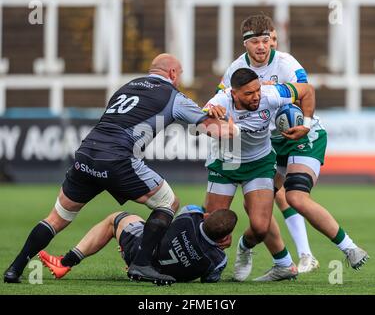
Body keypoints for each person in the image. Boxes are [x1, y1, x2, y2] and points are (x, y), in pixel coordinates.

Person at [3, 53, 238, 285]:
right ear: (173, 73)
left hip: (87, 153)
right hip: (117, 158)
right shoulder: (173, 96)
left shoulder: (128, 86)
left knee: (57, 218)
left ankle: (15, 269)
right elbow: (217, 131)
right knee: (169, 203)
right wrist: (232, 121)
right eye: (180, 75)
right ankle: (142, 264)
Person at [217, 15, 369, 281]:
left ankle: (349, 248)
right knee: (256, 212)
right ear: (245, 44)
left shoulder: (286, 64)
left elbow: (306, 91)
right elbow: (224, 100)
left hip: (302, 136)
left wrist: (306, 124)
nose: (262, 46)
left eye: (266, 40)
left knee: (296, 197)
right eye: (255, 41)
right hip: (271, 145)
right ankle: (273, 258)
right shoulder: (235, 69)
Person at [204, 67, 316, 282]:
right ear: (233, 93)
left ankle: (244, 249)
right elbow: (203, 125)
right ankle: (211, 264)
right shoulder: (220, 101)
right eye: (248, 93)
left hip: (259, 163)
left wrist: (307, 125)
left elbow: (307, 90)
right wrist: (219, 125)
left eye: (257, 90)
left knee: (261, 227)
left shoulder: (271, 95)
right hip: (226, 163)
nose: (256, 96)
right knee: (213, 227)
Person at [38, 206, 238, 284]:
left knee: (116, 218)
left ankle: (66, 262)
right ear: (225, 237)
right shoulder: (219, 260)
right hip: (164, 276)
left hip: (138, 251)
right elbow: (209, 279)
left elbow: (186, 213)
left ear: (207, 217)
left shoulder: (190, 218)